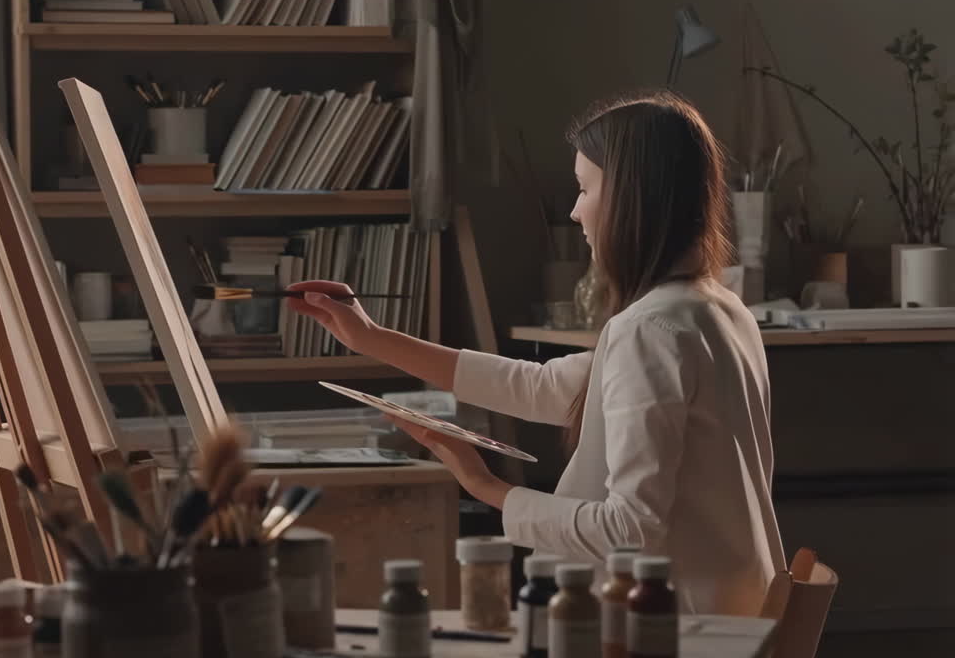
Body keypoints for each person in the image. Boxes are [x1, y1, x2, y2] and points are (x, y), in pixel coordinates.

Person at [287, 90, 785, 619]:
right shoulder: (719, 310)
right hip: (735, 612)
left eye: (585, 188)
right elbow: (543, 387)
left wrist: (487, 487)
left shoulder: (652, 329)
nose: (574, 212)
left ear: (633, 198)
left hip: (675, 632)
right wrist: (371, 338)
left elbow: (630, 529)